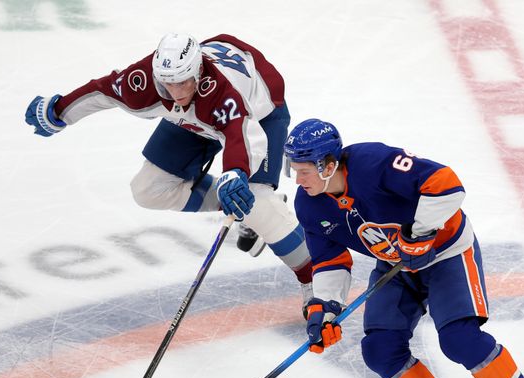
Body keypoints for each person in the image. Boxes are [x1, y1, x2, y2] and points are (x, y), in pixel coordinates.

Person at [285, 118, 524, 378]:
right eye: (292, 170)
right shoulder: (310, 205)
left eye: (302, 171)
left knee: (459, 340)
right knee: (380, 350)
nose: (297, 180)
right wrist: (325, 309)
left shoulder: (373, 163)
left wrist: (421, 232)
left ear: (328, 165)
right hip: (396, 266)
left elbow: (446, 183)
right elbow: (330, 260)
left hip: (447, 254)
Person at [24, 33, 313, 312]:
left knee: (258, 201)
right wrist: (59, 111)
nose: (176, 92)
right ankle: (242, 207)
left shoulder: (222, 92)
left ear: (198, 73)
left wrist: (236, 173)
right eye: (168, 84)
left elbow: (240, 133)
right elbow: (103, 89)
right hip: (197, 121)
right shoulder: (144, 82)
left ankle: (316, 281)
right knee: (148, 189)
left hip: (259, 112)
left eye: (184, 82)